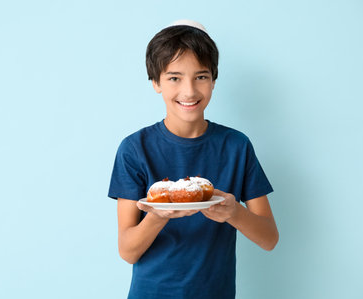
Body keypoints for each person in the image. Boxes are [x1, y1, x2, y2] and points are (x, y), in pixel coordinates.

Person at [108, 20, 279, 299]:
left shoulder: (236, 146)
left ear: (213, 80)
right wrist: (158, 216)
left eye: (200, 77)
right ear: (155, 83)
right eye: (174, 78)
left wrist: (234, 212)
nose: (189, 91)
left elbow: (269, 238)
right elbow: (127, 251)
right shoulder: (134, 149)